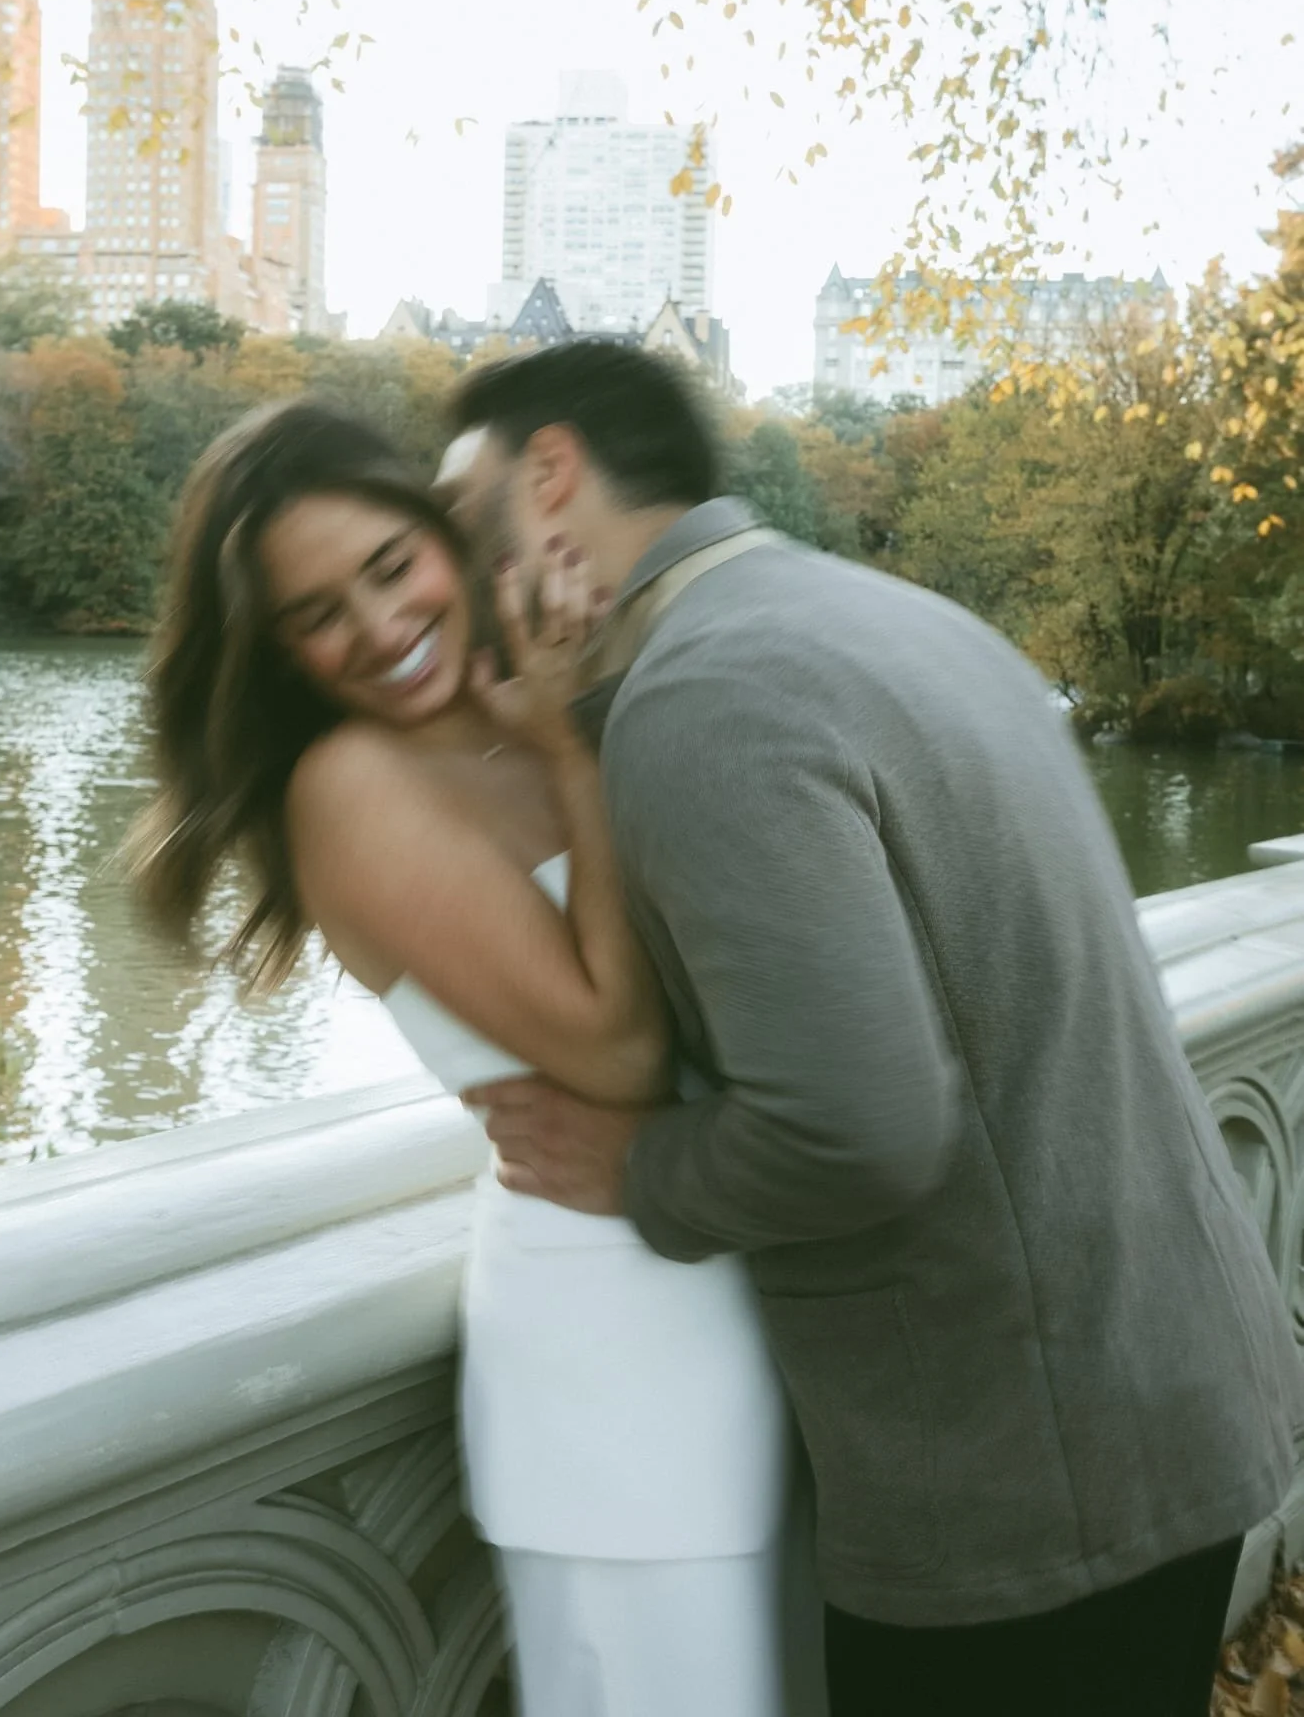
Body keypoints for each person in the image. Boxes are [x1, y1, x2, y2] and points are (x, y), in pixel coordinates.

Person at [437, 339, 1304, 1717]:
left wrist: (634, 1169)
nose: (441, 552)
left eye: (456, 496)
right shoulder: (889, 615)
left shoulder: (702, 702)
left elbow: (857, 1128)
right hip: (1164, 1396)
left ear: (547, 472)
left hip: (1021, 1490)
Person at [128, 400, 806, 1717]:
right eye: (317, 615)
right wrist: (566, 740)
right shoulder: (352, 787)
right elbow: (614, 1049)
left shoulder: (525, 693)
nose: (379, 631)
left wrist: (560, 713)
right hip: (613, 1359)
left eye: (392, 568)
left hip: (736, 1303)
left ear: (439, 529)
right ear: (270, 651)